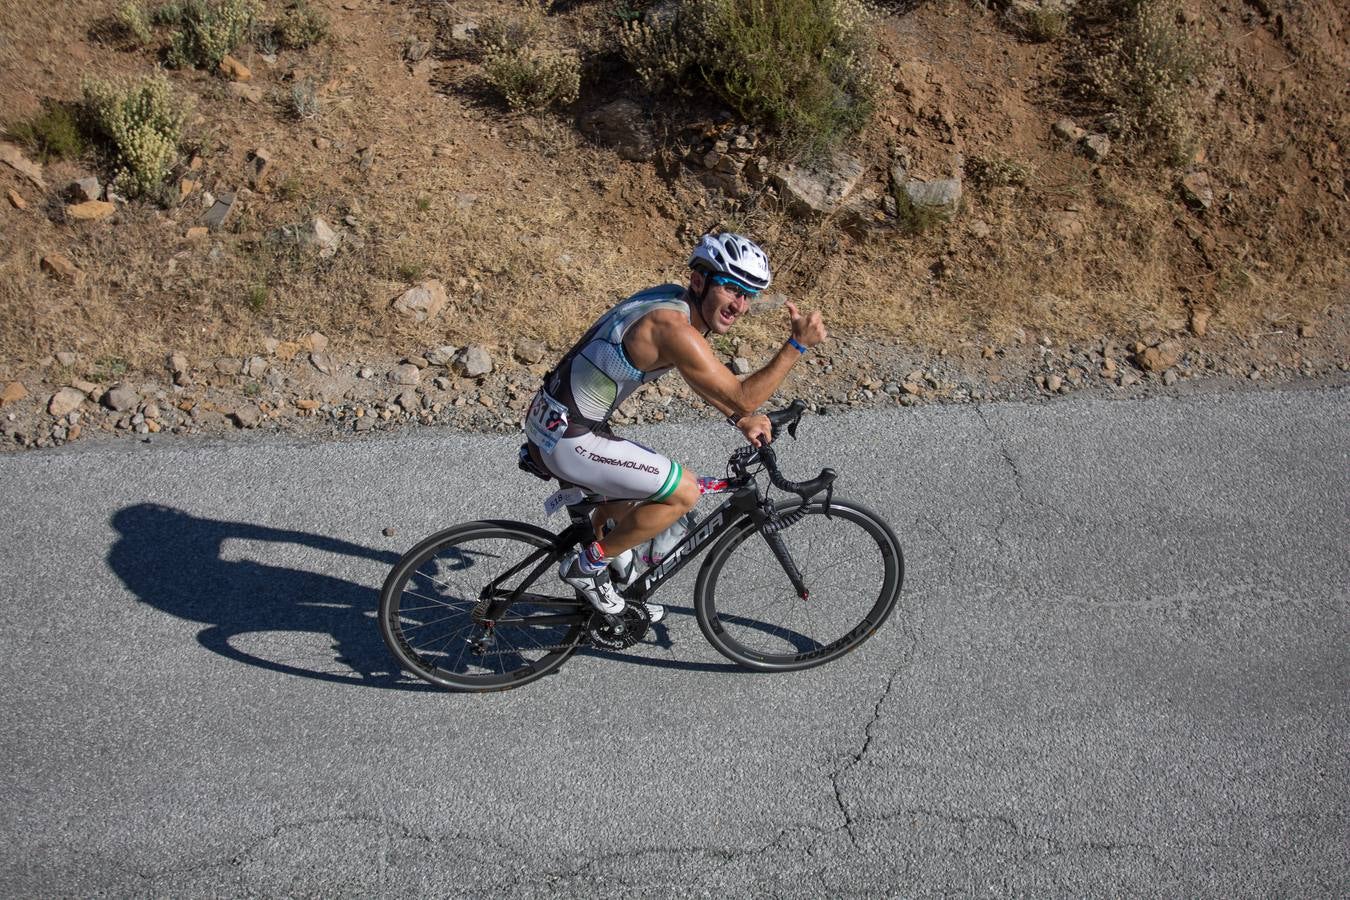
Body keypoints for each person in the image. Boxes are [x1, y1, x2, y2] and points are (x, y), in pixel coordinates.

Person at [522, 233, 828, 620]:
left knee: (626, 501)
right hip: (570, 440)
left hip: (551, 421)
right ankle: (589, 567)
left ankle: (620, 569)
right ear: (700, 281)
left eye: (748, 295)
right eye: (732, 289)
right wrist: (796, 345)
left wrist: (738, 418)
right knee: (683, 492)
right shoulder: (674, 328)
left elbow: (699, 373)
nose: (740, 305)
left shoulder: (671, 302)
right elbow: (744, 394)